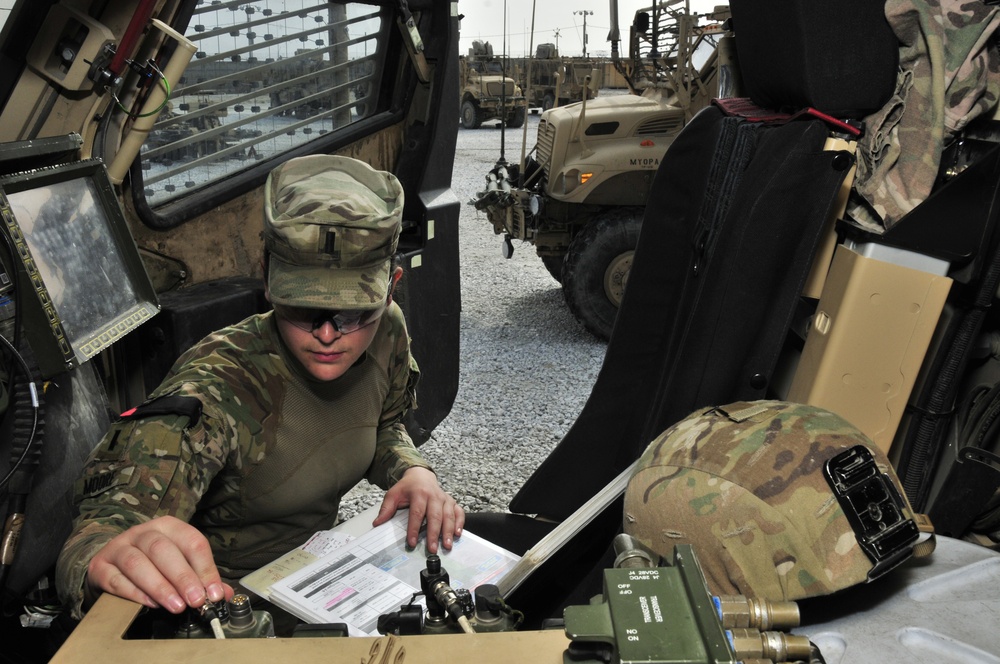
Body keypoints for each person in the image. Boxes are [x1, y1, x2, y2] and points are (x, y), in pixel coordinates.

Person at [55, 155, 464, 621]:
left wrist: (412, 472)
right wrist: (104, 556)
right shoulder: (218, 386)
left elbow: (382, 424)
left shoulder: (387, 331)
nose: (328, 335)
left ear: (390, 289)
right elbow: (100, 534)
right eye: (302, 308)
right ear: (268, 280)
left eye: (353, 312)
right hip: (227, 607)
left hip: (319, 576)